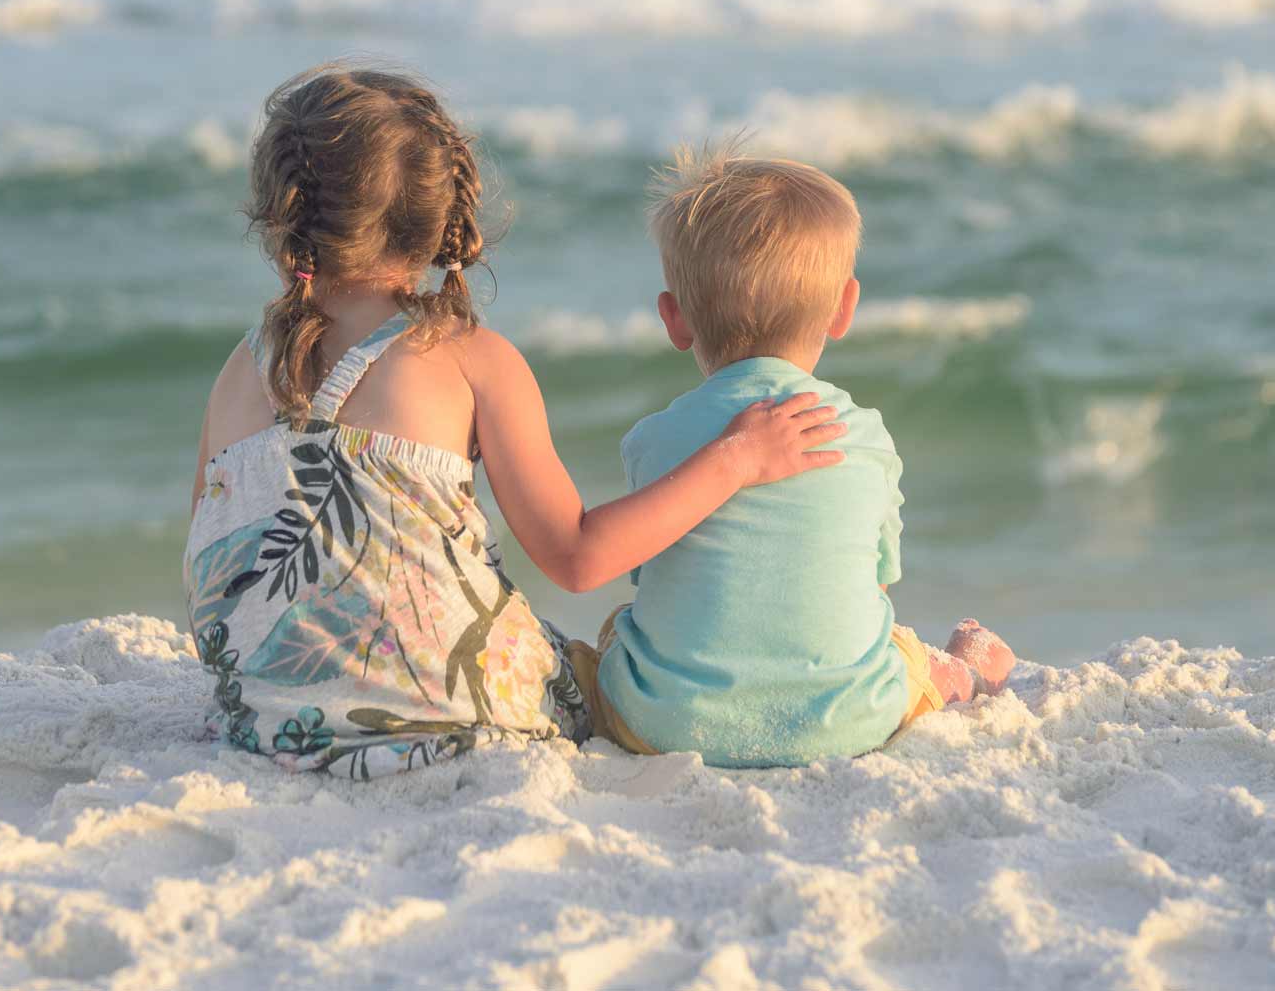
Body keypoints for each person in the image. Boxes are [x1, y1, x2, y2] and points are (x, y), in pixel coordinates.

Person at [183, 67, 845, 779]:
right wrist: (736, 458)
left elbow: (210, 562)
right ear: (439, 214)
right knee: (600, 667)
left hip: (267, 718)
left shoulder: (242, 369)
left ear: (286, 219)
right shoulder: (470, 358)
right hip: (445, 716)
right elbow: (579, 556)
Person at [566, 145, 1017, 768]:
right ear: (844, 308)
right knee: (920, 660)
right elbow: (875, 582)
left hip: (666, 723)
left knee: (620, 628)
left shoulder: (653, 439)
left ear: (675, 319)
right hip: (849, 720)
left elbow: (657, 577)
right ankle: (975, 664)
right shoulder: (865, 436)